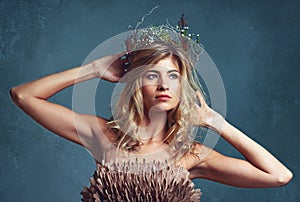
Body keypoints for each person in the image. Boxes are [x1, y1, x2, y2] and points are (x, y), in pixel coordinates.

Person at [10, 26, 292, 201]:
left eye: (172, 76)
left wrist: (217, 123)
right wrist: (93, 69)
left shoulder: (190, 155)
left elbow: (279, 175)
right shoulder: (104, 136)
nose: (163, 85)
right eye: (152, 75)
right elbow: (23, 95)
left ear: (182, 85)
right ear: (136, 85)